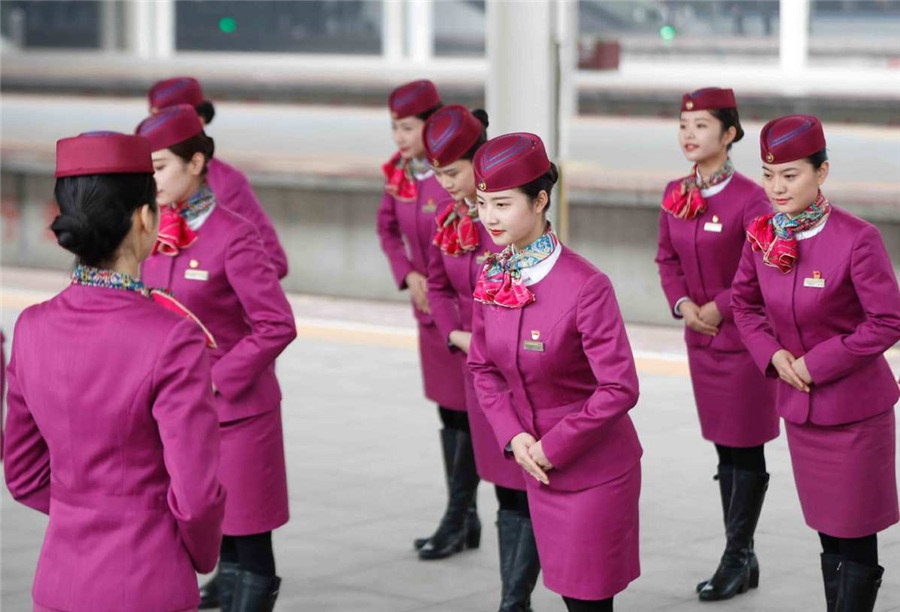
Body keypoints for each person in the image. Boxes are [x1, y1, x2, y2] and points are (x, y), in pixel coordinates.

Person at [4, 131, 226, 611]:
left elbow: (22, 473)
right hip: (147, 581)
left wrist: (81, 509)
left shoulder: (30, 327)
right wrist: (197, 555)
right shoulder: (172, 337)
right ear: (146, 217)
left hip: (59, 584)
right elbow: (197, 497)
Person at [732, 114, 900, 612]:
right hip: (802, 413)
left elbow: (888, 320)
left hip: (854, 414)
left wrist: (815, 364)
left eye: (791, 174)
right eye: (768, 174)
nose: (777, 187)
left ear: (821, 173)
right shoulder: (761, 235)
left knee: (855, 530)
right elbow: (744, 304)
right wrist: (773, 354)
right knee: (828, 530)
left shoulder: (856, 238)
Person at [469, 132, 642, 612]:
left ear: (540, 199)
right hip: (537, 468)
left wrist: (553, 445)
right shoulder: (493, 275)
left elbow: (620, 387)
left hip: (594, 473)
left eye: (502, 204)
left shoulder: (586, 286)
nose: (489, 217)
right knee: (568, 592)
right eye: (482, 204)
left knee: (588, 600)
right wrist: (513, 437)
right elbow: (482, 368)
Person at [138, 105, 297, 611]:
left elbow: (276, 325)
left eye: (160, 166)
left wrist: (212, 379)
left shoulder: (235, 234)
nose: (152, 179)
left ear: (198, 161)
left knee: (250, 542)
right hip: (177, 418)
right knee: (198, 530)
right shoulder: (149, 231)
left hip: (238, 417)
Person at [655, 87, 778, 601]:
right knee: (725, 447)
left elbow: (762, 267)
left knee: (744, 446)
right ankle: (742, 555)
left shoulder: (751, 197)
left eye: (702, 125)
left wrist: (719, 307)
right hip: (700, 340)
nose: (689, 134)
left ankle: (736, 555)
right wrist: (683, 305)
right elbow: (667, 260)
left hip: (744, 342)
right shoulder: (676, 192)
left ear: (729, 135)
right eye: (684, 124)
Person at [424, 106, 540, 607]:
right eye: (438, 174)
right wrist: (457, 333)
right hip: (479, 373)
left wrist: (489, 340)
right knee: (502, 485)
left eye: (452, 173)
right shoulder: (451, 219)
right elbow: (437, 283)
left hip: (521, 373)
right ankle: (513, 599)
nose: (444, 184)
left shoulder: (513, 222)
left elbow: (541, 294)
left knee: (524, 483)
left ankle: (515, 599)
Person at [375, 80, 475, 556]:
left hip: (463, 313)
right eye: (394, 127)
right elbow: (388, 228)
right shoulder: (401, 175)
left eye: (407, 127)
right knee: (449, 411)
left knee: (472, 414)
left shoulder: (452, 176)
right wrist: (407, 274)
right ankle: (463, 516)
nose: (399, 136)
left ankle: (459, 515)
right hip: (429, 310)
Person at [146, 76, 289, 279]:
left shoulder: (227, 183)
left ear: (199, 120)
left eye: (169, 120)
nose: (158, 131)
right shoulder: (138, 178)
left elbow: (273, 261)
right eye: (153, 119)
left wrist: (214, 290)